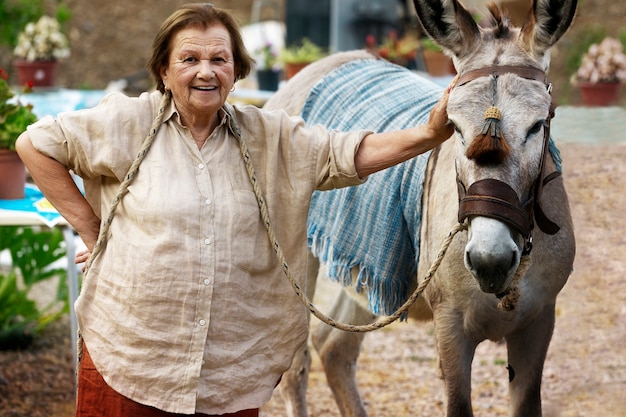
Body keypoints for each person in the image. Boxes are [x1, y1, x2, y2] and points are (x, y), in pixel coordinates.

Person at [16, 3, 454, 417]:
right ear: (164, 72)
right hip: (130, 358)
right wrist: (94, 232)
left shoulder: (271, 137)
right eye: (189, 59)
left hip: (228, 372)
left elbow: (350, 153)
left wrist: (429, 135)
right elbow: (35, 145)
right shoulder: (127, 122)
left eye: (219, 60)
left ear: (236, 71)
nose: (205, 71)